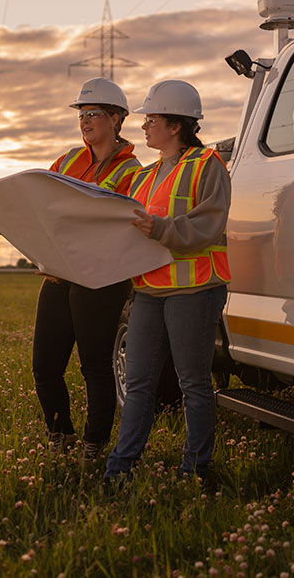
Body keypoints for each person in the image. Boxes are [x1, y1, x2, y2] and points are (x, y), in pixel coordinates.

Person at [0, 77, 141, 459]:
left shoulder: (132, 171)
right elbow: (40, 208)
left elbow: (126, 230)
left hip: (101, 281)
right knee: (45, 366)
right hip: (57, 276)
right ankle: (61, 435)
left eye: (93, 113)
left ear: (116, 118)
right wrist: (4, 221)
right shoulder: (68, 161)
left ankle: (93, 444)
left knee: (95, 368)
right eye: (81, 114)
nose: (84, 121)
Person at [104, 79, 231, 482]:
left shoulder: (207, 164)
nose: (143, 126)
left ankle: (195, 470)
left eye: (151, 119)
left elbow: (208, 225)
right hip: (148, 291)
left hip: (194, 290)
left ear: (175, 125)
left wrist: (159, 229)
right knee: (138, 383)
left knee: (193, 383)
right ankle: (119, 469)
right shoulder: (144, 176)